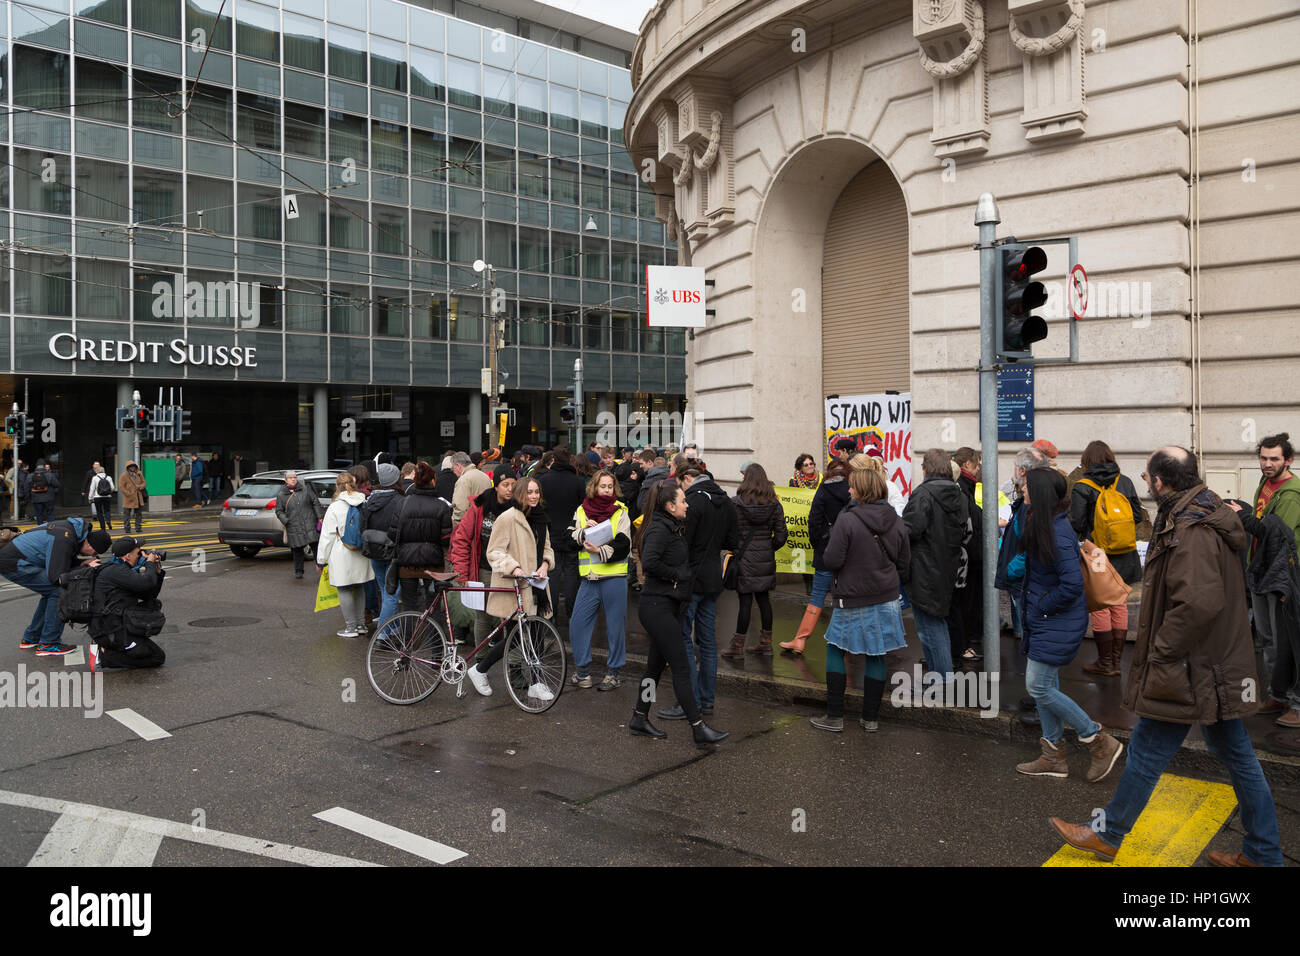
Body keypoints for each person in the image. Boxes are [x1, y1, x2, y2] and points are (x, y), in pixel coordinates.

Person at [1052, 446, 1282, 866]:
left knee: (1148, 748)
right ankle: (1263, 853)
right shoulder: (1200, 511)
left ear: (1160, 481)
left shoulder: (1192, 528)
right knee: (1235, 757)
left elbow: (1198, 604)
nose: (1147, 485)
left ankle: (1109, 834)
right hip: (1211, 665)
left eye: (1147, 478)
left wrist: (1159, 652)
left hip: (1191, 667)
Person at [1013, 468, 1124, 780]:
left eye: (1027, 485)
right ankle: (1053, 757)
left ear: (1042, 493)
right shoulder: (1045, 522)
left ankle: (1098, 740)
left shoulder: (1057, 533)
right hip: (1049, 618)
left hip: (1055, 619)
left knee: (1037, 685)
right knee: (1046, 686)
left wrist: (1041, 608)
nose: (1022, 488)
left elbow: (1072, 585)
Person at [628, 478, 730, 747]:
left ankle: (640, 716)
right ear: (671, 506)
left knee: (654, 668)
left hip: (668, 606)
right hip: (656, 607)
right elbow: (649, 563)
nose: (687, 504)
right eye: (683, 500)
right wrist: (678, 575)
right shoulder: (659, 530)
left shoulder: (672, 526)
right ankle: (698, 727)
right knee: (682, 667)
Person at [811, 467, 910, 732]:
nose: (849, 490)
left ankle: (834, 717)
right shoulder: (895, 518)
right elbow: (904, 560)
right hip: (886, 596)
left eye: (852, 486)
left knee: (834, 648)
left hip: (852, 597)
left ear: (862, 490)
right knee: (876, 654)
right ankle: (870, 719)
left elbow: (831, 560)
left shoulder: (848, 519)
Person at [464, 476, 554, 700]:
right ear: (519, 494)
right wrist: (513, 568)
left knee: (535, 634)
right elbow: (494, 551)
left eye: (536, 492)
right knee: (517, 636)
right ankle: (481, 669)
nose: (533, 496)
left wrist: (544, 565)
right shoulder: (508, 518)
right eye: (529, 492)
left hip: (537, 586)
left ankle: (533, 681)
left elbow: (547, 549)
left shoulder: (541, 518)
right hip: (517, 586)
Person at [1237, 433, 1300, 725]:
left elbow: (1277, 536)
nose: (1267, 463)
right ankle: (1278, 695)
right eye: (1263, 457)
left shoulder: (1291, 493)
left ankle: (1295, 704)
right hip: (1260, 572)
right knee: (1268, 639)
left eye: (1274, 458)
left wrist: (1244, 517)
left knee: (1287, 642)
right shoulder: (1266, 484)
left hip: (1282, 577)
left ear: (1288, 460)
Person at [1069, 439, 1143, 677]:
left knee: (1100, 605)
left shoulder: (1083, 486)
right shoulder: (1125, 481)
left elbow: (1077, 524)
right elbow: (1139, 516)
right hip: (1125, 551)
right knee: (1119, 602)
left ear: (1086, 461)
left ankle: (1105, 662)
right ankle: (1115, 662)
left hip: (1098, 553)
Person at [901, 449, 969, 686]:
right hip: (946, 565)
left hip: (924, 567)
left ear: (926, 469)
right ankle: (939, 676)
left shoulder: (923, 494)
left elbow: (911, 529)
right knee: (935, 622)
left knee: (930, 627)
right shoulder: (958, 493)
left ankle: (942, 680)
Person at [0, 518, 111, 655]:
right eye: (94, 553)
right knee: (59, 591)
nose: (93, 555)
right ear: (91, 546)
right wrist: (82, 570)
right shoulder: (65, 539)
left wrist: (81, 563)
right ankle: (49, 643)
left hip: (14, 559)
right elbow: (56, 577)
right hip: (15, 563)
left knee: (50, 592)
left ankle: (32, 638)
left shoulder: (72, 532)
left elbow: (58, 559)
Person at [566, 469, 632, 690]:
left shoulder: (621, 511)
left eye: (610, 487)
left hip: (614, 577)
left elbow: (624, 545)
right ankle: (583, 672)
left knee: (615, 629)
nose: (606, 490)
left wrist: (599, 549)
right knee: (577, 625)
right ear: (594, 487)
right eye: (602, 486)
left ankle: (613, 674)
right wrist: (583, 532)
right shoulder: (581, 510)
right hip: (589, 579)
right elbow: (568, 537)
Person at [781, 460, 851, 655]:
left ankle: (800, 640)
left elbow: (813, 521)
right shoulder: (853, 490)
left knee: (817, 596)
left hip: (825, 551)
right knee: (843, 597)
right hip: (848, 553)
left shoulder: (823, 490)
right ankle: (843, 640)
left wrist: (818, 545)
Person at [722, 463, 788, 659]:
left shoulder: (736, 503)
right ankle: (766, 644)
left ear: (746, 478)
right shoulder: (774, 503)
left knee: (745, 602)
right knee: (764, 600)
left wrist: (735, 550)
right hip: (765, 557)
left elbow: (729, 533)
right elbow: (782, 534)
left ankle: (737, 646)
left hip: (744, 558)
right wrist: (769, 547)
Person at [450, 470, 519, 651]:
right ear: (496, 486)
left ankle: (508, 660)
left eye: (513, 484)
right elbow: (462, 539)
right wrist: (463, 573)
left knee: (510, 616)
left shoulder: (519, 507)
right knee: (483, 615)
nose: (510, 489)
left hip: (509, 570)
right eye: (505, 485)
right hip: (484, 570)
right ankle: (480, 659)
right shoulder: (480, 507)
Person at [86, 536, 167, 672]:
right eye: (138, 552)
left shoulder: (120, 569)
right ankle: (104, 656)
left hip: (115, 626)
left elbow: (148, 595)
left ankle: (109, 649)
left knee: (152, 652)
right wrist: (149, 564)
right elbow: (145, 583)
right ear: (128, 556)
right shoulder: (116, 572)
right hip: (111, 630)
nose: (141, 554)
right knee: (156, 657)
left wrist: (157, 573)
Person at [387, 460, 453, 616]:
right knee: (433, 606)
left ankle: (409, 639)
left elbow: (392, 534)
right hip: (433, 564)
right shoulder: (441, 506)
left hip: (406, 564)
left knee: (409, 607)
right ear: (432, 481)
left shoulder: (403, 504)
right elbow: (446, 538)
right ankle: (436, 639)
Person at [315, 471, 375, 639]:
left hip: (342, 552)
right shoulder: (364, 502)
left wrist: (321, 560)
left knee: (345, 588)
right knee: (359, 586)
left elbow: (327, 536)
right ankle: (361, 623)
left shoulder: (335, 507)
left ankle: (350, 627)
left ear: (337, 486)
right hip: (361, 552)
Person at [537, 446, 585, 623]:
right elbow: (582, 509)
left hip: (551, 533)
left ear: (553, 460)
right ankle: (572, 612)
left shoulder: (544, 480)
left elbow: (540, 508)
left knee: (554, 574)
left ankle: (552, 613)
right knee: (572, 574)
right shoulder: (578, 482)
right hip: (572, 534)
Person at [948, 447, 985, 664]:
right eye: (976, 463)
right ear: (965, 466)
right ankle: (961, 647)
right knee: (963, 605)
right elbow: (967, 527)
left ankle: (963, 644)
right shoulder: (961, 489)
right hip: (967, 559)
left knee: (967, 604)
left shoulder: (967, 486)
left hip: (970, 557)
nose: (979, 467)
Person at [359, 463, 404, 627]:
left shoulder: (370, 500)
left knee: (386, 593)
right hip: (393, 552)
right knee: (391, 594)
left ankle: (392, 629)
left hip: (373, 550)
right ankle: (383, 634)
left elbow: (361, 527)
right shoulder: (400, 501)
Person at [277, 470, 324, 580]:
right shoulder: (281, 495)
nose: (293, 479)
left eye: (294, 477)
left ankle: (322, 567)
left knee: (316, 547)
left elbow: (315, 502)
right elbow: (279, 511)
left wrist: (319, 517)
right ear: (286, 480)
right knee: (297, 550)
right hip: (293, 525)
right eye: (290, 478)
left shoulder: (306, 489)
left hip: (310, 522)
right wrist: (286, 520)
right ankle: (299, 571)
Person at [451, 451, 492, 526]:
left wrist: (457, 529)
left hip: (470, 527)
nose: (453, 472)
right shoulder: (485, 476)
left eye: (453, 468)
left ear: (458, 466)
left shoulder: (463, 480)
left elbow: (460, 510)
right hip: (485, 524)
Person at [118, 461, 147, 535]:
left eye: (134, 466)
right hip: (129, 498)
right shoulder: (124, 475)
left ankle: (138, 528)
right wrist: (128, 493)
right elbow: (121, 486)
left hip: (138, 496)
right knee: (127, 514)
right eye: (131, 467)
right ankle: (127, 529)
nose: (133, 468)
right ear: (128, 468)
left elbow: (144, 483)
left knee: (139, 514)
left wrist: (140, 486)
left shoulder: (139, 473)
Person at [87, 464, 116, 532]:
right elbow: (112, 488)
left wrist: (90, 498)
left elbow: (92, 489)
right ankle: (108, 521)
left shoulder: (95, 478)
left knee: (99, 512)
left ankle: (103, 527)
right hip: (107, 497)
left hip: (97, 497)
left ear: (97, 471)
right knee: (107, 510)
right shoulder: (109, 477)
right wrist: (108, 492)